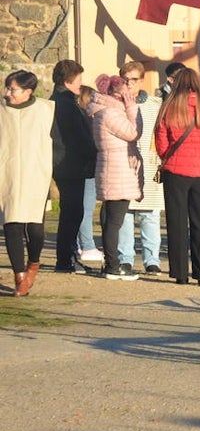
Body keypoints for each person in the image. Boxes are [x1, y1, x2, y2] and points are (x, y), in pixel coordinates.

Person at [154, 68, 200, 286]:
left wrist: (169, 157)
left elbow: (161, 139)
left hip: (176, 171)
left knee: (176, 222)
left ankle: (180, 273)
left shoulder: (170, 106)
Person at [1, 71, 55, 296]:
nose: (7, 93)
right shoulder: (1, 111)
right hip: (8, 174)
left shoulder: (45, 110)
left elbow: (58, 142)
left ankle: (33, 263)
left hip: (36, 175)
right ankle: (19, 275)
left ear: (28, 91)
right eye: (7, 88)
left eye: (12, 89)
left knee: (35, 229)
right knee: (12, 225)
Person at [89, 74, 142, 281]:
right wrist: (132, 109)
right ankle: (113, 265)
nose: (130, 96)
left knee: (109, 219)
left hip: (112, 168)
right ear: (116, 94)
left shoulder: (103, 111)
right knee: (114, 221)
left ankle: (110, 263)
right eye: (126, 92)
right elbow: (133, 133)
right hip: (118, 171)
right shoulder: (111, 113)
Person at [50, 59, 98, 274]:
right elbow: (78, 138)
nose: (81, 83)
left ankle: (67, 258)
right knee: (72, 213)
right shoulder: (67, 104)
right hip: (70, 164)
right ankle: (65, 259)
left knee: (71, 212)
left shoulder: (57, 101)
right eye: (78, 78)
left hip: (65, 164)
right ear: (69, 80)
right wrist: (94, 153)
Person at [117, 61, 164, 276]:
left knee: (149, 215)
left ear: (142, 80)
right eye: (125, 79)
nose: (129, 84)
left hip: (149, 161)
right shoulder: (115, 103)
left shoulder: (156, 104)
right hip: (124, 163)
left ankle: (151, 259)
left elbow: (161, 133)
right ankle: (125, 258)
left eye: (133, 79)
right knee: (125, 214)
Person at [74, 84, 103, 266]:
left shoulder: (76, 118)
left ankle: (78, 245)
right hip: (88, 169)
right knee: (86, 209)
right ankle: (87, 245)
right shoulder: (88, 120)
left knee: (78, 209)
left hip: (78, 169)